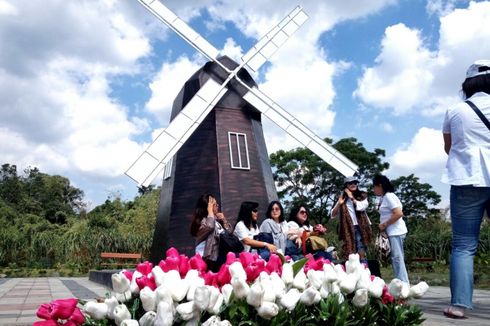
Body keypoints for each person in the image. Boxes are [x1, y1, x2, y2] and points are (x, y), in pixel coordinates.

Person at [441, 60, 490, 319]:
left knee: (463, 245)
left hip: (467, 179)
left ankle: (459, 305)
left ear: (468, 83)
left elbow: (450, 148)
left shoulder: (455, 110)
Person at [372, 174, 409, 284]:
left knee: (397, 258)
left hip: (395, 231)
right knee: (396, 258)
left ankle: (403, 283)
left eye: (374, 187)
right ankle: (400, 281)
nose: (373, 190)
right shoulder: (386, 197)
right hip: (392, 232)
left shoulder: (389, 196)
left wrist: (385, 224)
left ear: (379, 186)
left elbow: (398, 213)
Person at [331, 176, 372, 262]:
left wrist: (352, 197)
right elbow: (333, 214)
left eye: (355, 183)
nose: (353, 184)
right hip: (347, 228)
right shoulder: (343, 198)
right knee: (350, 252)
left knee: (361, 249)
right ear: (346, 186)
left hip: (361, 227)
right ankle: (354, 271)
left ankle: (364, 268)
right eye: (350, 183)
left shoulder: (362, 195)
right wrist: (339, 204)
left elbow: (362, 207)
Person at [190, 194, 232, 272]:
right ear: (208, 207)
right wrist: (210, 211)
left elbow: (229, 234)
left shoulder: (216, 220)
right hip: (209, 258)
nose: (217, 206)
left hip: (220, 255)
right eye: (215, 204)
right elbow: (210, 227)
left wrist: (224, 220)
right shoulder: (202, 221)